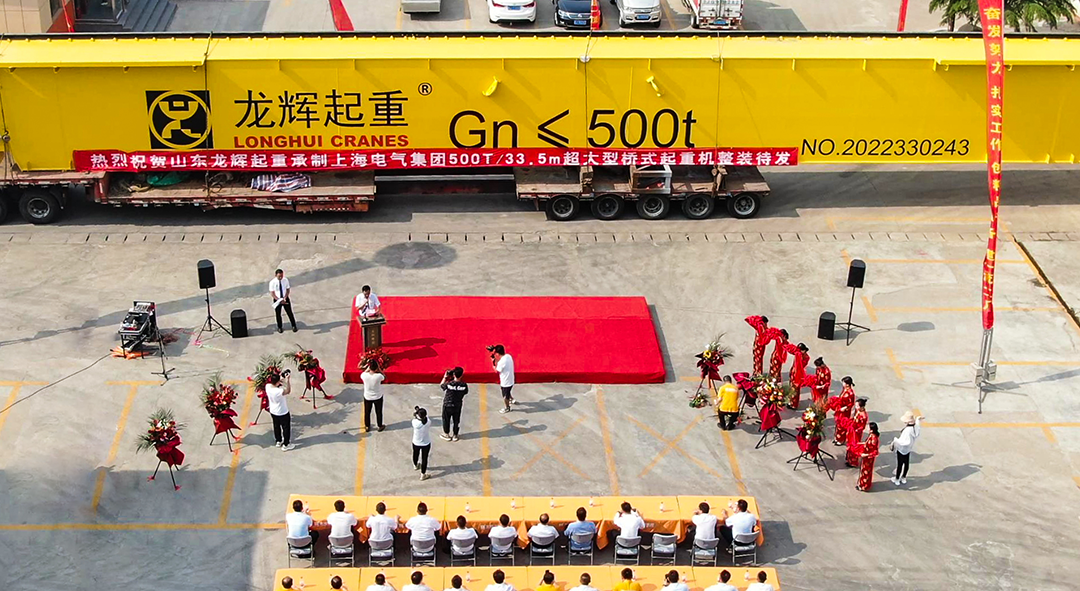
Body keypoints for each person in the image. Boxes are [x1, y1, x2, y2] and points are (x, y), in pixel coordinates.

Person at [891, 411, 924, 485]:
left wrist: (895, 441)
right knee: (906, 464)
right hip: (908, 449)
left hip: (902, 449)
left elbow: (904, 442)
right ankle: (904, 477)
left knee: (900, 465)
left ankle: (897, 479)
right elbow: (917, 427)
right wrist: (918, 420)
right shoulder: (914, 428)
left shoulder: (907, 430)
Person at [266, 369, 295, 451]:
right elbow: (288, 391)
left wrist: (280, 378)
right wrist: (288, 380)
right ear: (278, 382)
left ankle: (278, 440)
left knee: (276, 426)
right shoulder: (279, 391)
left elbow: (275, 383)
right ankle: (286, 444)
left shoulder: (267, 386)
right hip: (282, 412)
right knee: (286, 428)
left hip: (273, 411)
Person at [439, 367, 468, 441]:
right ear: (461, 375)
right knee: (456, 420)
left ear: (454, 375)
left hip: (447, 405)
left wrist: (445, 377)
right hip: (457, 405)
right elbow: (465, 392)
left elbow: (442, 385)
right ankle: (455, 435)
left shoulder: (449, 384)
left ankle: (446, 434)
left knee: (446, 420)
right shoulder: (464, 385)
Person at [829, 376, 856, 446]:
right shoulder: (844, 389)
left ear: (847, 384)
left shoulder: (851, 393)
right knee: (838, 424)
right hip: (840, 409)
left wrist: (845, 408)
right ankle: (837, 438)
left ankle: (841, 440)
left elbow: (851, 403)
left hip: (845, 412)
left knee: (842, 426)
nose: (842, 384)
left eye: (844, 383)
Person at [269, 268, 298, 333]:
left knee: (289, 312)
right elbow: (272, 293)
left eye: (281, 276)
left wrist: (285, 297)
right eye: (279, 276)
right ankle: (280, 327)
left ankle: (294, 325)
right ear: (275, 275)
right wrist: (279, 300)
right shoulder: (272, 282)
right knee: (278, 314)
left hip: (285, 298)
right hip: (277, 299)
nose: (280, 277)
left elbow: (288, 289)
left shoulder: (285, 280)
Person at [361, 360, 386, 433]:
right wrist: (380, 370)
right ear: (376, 368)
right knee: (378, 412)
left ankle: (367, 426)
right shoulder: (379, 376)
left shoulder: (364, 376)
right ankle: (380, 425)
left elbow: (364, 372)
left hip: (368, 397)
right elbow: (384, 377)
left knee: (367, 412)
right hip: (377, 397)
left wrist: (367, 369)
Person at [844, 398, 869, 467]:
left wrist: (856, 430)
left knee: (854, 446)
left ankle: (853, 462)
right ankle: (849, 459)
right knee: (850, 444)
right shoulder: (858, 411)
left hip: (856, 433)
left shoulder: (864, 416)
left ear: (862, 407)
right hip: (852, 430)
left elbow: (862, 427)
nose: (856, 407)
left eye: (857, 406)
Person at [784, 342, 810, 409]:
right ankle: (790, 401)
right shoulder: (799, 354)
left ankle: (793, 404)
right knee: (792, 388)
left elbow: (801, 365)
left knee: (795, 390)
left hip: (797, 375)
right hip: (794, 373)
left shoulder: (804, 357)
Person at [857, 422, 881, 491]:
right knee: (863, 470)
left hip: (869, 458)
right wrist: (861, 444)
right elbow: (867, 443)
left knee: (866, 472)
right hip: (866, 456)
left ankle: (864, 486)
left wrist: (866, 455)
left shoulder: (874, 439)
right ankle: (861, 484)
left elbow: (874, 451)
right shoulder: (871, 435)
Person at [492, 345, 516, 414]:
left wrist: (493, 363)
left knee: (505, 396)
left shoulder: (501, 362)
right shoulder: (508, 356)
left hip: (505, 382)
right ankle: (512, 399)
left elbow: (497, 371)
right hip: (511, 380)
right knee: (508, 391)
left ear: (497, 353)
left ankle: (507, 408)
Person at [411, 407, 432, 480]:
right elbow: (424, 419)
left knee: (415, 454)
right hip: (426, 443)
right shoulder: (428, 422)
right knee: (424, 458)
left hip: (416, 442)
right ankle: (423, 474)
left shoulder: (414, 422)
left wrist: (416, 413)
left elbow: (415, 418)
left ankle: (415, 465)